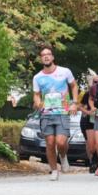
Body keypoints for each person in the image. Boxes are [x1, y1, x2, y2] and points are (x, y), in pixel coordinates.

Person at [32, 46, 78, 181]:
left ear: (52, 57)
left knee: (61, 142)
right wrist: (38, 102)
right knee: (50, 143)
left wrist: (74, 102)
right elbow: (36, 95)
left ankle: (63, 156)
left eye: (48, 54)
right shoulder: (38, 77)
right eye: (43, 55)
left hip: (63, 112)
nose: (46, 57)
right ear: (41, 59)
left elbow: (74, 86)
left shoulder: (65, 72)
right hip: (46, 114)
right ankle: (53, 170)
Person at [79, 74, 98, 173]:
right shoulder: (87, 93)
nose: (97, 84)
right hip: (89, 120)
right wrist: (88, 112)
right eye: (95, 82)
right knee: (91, 145)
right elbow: (80, 106)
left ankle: (97, 162)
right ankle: (93, 160)